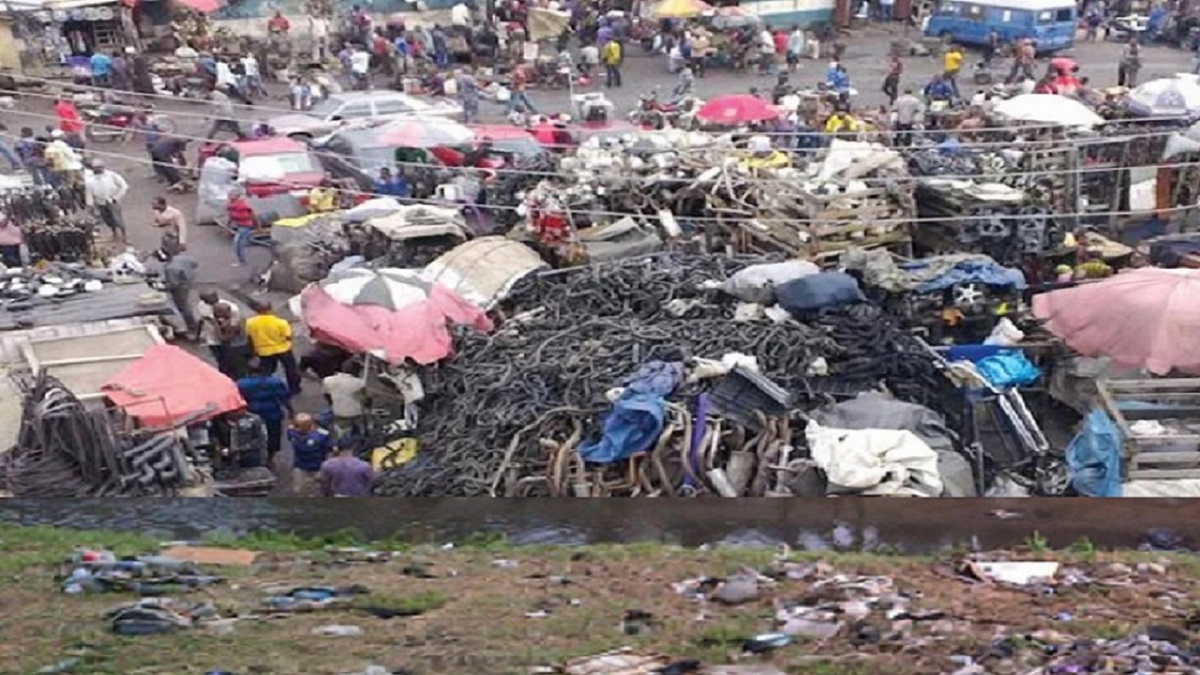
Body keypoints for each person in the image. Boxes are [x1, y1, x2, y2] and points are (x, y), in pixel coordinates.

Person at [236, 359, 293, 468]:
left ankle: (254, 458)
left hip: (251, 413)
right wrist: (291, 411)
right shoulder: (274, 382)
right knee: (273, 436)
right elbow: (284, 397)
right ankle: (269, 458)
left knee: (251, 436)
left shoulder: (241, 384)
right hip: (272, 413)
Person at [246, 301, 302, 395]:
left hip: (263, 350)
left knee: (266, 371)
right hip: (282, 348)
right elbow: (287, 336)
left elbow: (249, 337)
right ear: (270, 309)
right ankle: (294, 388)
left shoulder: (250, 323)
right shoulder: (280, 322)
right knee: (290, 369)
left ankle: (268, 388)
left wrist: (253, 351)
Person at [288, 413, 334, 495]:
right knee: (299, 491)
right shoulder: (292, 433)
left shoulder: (321, 436)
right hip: (302, 466)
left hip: (316, 466)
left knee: (319, 491)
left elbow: (329, 450)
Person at [83, 160, 129, 241]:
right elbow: (89, 193)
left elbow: (124, 186)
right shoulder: (89, 179)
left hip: (112, 201)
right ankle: (114, 233)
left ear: (103, 167)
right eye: (95, 168)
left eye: (99, 167)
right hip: (100, 202)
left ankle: (124, 235)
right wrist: (89, 204)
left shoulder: (111, 175)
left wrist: (116, 197)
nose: (97, 169)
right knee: (107, 219)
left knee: (118, 219)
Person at [158, 246, 198, 335]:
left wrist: (161, 287)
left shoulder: (170, 268)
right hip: (187, 282)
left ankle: (192, 326)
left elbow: (173, 284)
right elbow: (195, 264)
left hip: (180, 288)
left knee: (183, 307)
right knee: (186, 304)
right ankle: (192, 324)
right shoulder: (180, 258)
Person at [197, 291, 239, 362]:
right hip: (211, 337)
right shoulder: (202, 306)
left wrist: (216, 325)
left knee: (228, 357)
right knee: (219, 357)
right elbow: (202, 319)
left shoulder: (232, 308)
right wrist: (198, 334)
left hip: (228, 340)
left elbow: (227, 334)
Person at [322, 370, 367, 437]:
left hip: (339, 411)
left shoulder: (327, 380)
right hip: (356, 411)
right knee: (360, 430)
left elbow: (326, 395)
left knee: (343, 432)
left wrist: (332, 404)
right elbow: (364, 398)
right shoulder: (360, 382)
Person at [214, 302, 250, 380]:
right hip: (240, 346)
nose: (216, 314)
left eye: (217, 312)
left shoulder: (234, 322)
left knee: (238, 370)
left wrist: (217, 328)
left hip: (236, 348)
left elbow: (224, 338)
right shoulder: (235, 318)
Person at [227, 188, 256, 267]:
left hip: (245, 227)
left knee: (238, 244)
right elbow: (231, 217)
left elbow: (252, 215)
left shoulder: (241, 205)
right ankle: (241, 260)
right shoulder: (232, 206)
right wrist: (228, 225)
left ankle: (242, 261)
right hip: (241, 226)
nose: (229, 197)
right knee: (238, 244)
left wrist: (257, 226)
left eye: (231, 196)